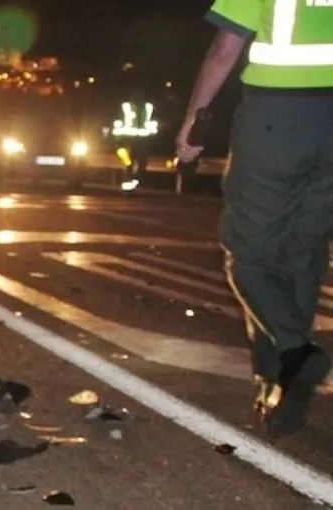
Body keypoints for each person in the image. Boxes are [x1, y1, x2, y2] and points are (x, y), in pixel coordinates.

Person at [176, 0, 333, 421]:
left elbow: (225, 48)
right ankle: (276, 375)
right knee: (304, 248)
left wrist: (195, 121)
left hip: (278, 117)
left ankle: (293, 348)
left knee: (247, 250)